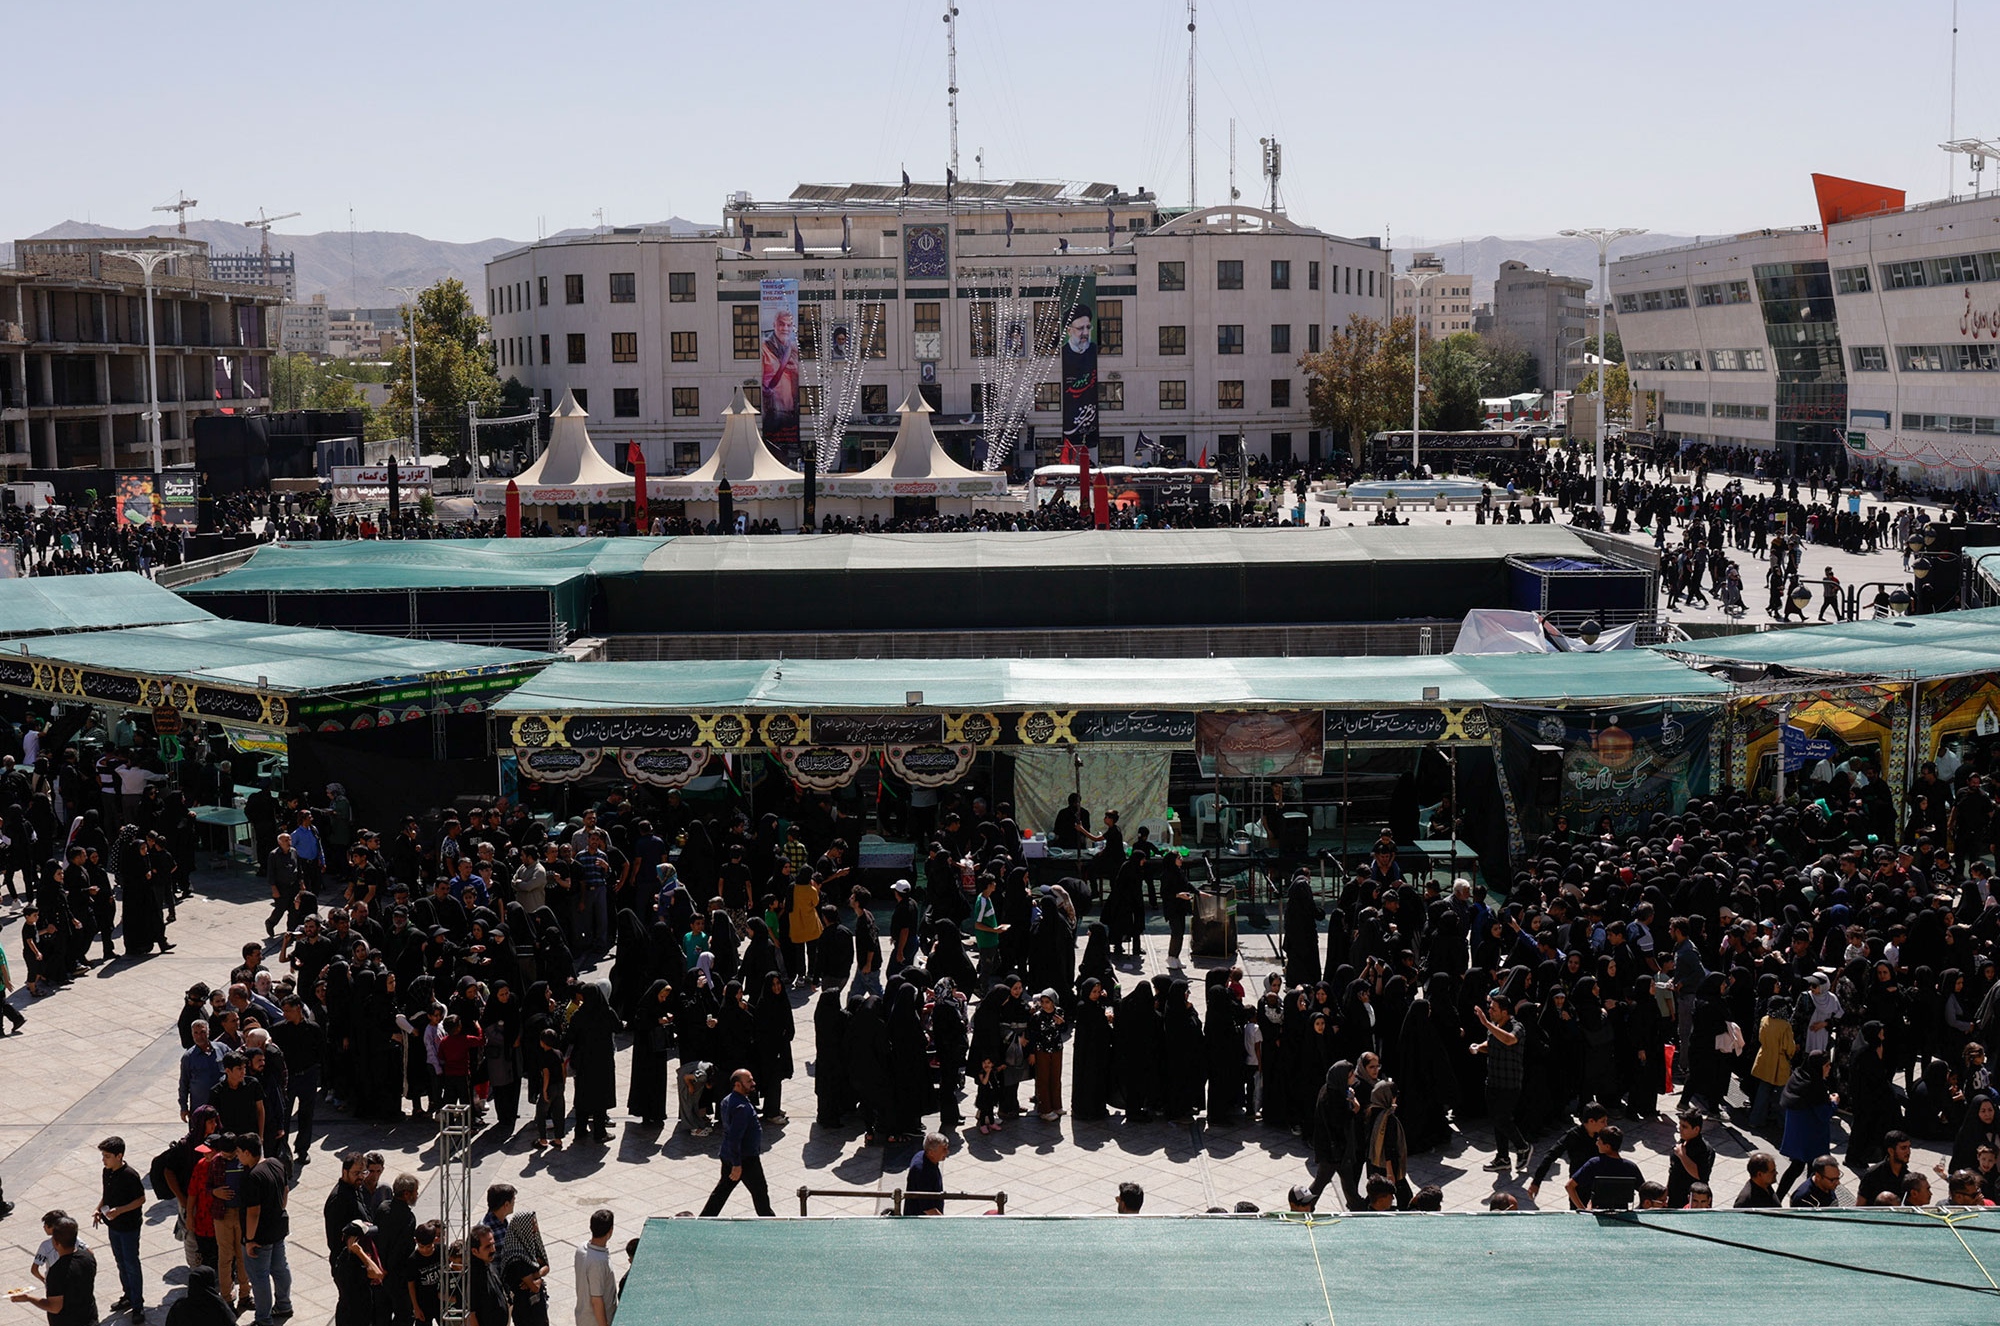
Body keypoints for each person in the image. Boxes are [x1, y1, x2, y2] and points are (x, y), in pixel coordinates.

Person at [698, 1069, 775, 1217]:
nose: (753, 1084)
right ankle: (770, 1223)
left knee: (722, 1191)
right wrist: (737, 1165)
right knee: (760, 1192)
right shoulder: (742, 1108)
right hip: (745, 1159)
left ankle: (704, 1219)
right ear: (738, 1085)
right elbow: (735, 1137)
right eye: (749, 1081)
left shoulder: (728, 1100)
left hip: (729, 1155)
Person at [1471, 992, 1529, 1173]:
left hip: (1509, 1084)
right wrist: (1478, 1047)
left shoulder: (1517, 1027)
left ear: (1505, 1012)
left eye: (1493, 1009)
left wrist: (1487, 1024)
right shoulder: (1494, 1026)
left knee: (1503, 1118)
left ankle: (1523, 1147)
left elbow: (1509, 1040)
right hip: (1493, 1081)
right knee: (1496, 1120)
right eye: (1489, 1008)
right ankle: (1502, 1157)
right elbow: (1492, 1043)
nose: (1490, 1011)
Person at [93, 1137, 146, 1318]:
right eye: (103, 1156)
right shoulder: (106, 1172)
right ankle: (128, 1295)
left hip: (129, 1228)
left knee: (131, 1264)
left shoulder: (130, 1175)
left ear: (119, 1155)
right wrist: (98, 1209)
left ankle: (138, 1306)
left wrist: (120, 1210)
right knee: (121, 1262)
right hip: (113, 1226)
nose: (104, 1160)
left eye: (107, 1156)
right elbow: (106, 1195)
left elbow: (141, 1199)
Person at [12, 1215, 95, 1326]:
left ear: (56, 1243)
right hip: (89, 1318)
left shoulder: (56, 1272)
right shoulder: (88, 1258)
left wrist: (28, 1298)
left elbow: (54, 1307)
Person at [1565, 1126, 1643, 1211]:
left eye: (1599, 1141)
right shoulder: (1631, 1167)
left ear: (1607, 1146)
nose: (1596, 1143)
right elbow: (1645, 1191)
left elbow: (1569, 1186)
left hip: (1598, 1215)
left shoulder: (1594, 1164)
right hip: (1622, 1216)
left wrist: (1583, 1210)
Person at [573, 1209, 618, 1326]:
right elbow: (596, 1300)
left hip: (583, 1318)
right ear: (610, 1231)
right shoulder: (598, 1262)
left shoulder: (581, 1248)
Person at [905, 1133, 949, 1215]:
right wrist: (944, 1223)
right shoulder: (922, 1172)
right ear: (931, 1152)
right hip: (921, 1222)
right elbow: (928, 1209)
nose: (947, 1152)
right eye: (944, 1149)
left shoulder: (924, 1156)